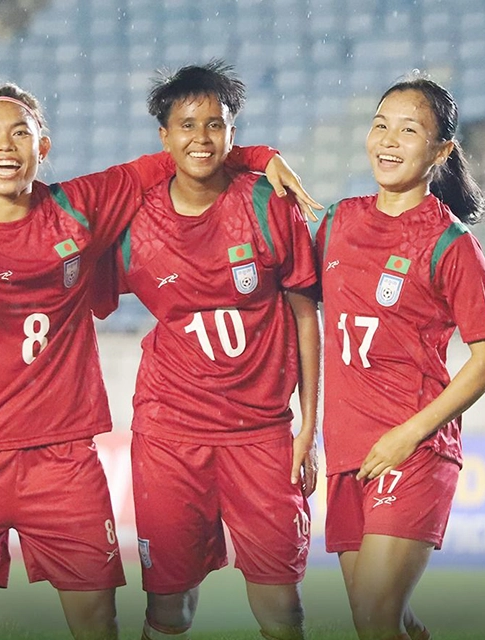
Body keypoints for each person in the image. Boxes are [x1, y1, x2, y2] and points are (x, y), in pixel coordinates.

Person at [0, 81, 318, 640]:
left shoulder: (82, 206)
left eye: (20, 132)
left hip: (64, 459)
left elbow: (189, 152)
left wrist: (260, 155)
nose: (5, 145)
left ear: (43, 146)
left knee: (97, 623)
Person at [105, 61, 320, 640]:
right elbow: (62, 291)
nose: (201, 138)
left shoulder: (268, 203)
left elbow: (305, 313)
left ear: (232, 133)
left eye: (215, 124)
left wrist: (309, 425)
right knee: (169, 609)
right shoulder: (135, 222)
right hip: (170, 432)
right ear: (164, 137)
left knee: (281, 606)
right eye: (187, 125)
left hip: (262, 433)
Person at [315, 73, 485, 640]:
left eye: (408, 130)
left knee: (376, 615)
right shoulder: (338, 221)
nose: (389, 141)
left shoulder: (451, 243)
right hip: (347, 451)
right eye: (381, 126)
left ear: (441, 151)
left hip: (413, 449)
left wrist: (408, 434)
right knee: (379, 622)